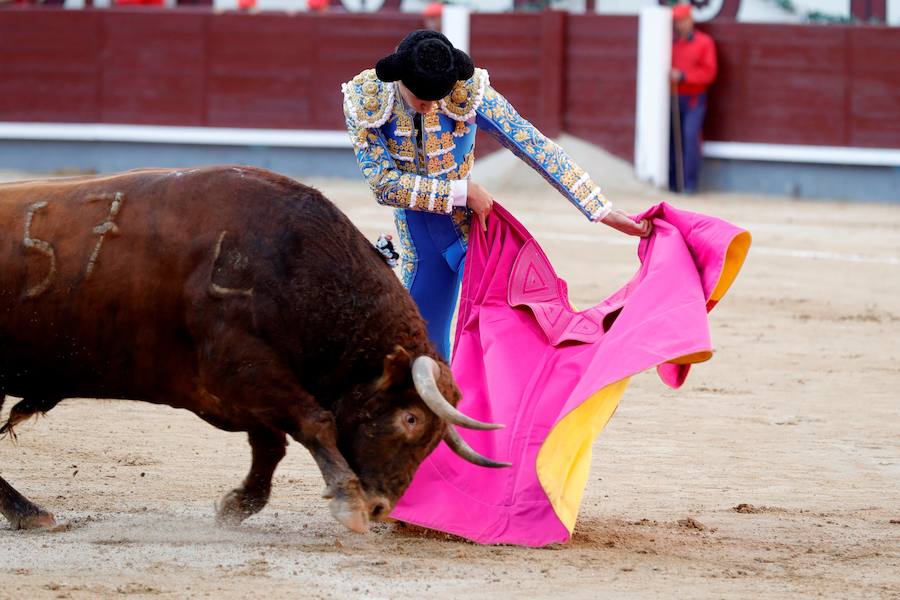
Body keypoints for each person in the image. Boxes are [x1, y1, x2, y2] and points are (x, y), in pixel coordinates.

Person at [342, 30, 651, 359]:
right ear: (398, 77)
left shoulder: (468, 91)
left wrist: (599, 207)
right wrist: (462, 191)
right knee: (421, 350)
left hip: (470, 237)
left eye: (438, 98)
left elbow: (532, 144)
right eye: (422, 100)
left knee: (512, 335)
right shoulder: (367, 99)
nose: (431, 107)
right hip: (420, 244)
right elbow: (383, 184)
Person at [670, 3, 717, 193]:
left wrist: (684, 76)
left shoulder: (704, 42)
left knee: (690, 137)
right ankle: (674, 183)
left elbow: (709, 73)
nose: (681, 25)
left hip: (694, 98)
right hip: (673, 96)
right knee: (673, 140)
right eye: (678, 22)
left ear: (691, 20)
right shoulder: (670, 43)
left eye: (684, 21)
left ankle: (689, 184)